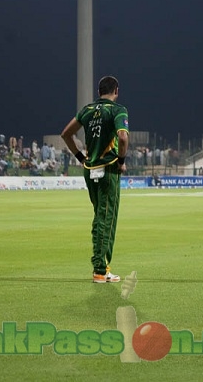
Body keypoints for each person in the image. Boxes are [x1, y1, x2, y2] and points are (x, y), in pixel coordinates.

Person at [61, 76, 129, 284]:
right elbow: (123, 137)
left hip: (90, 170)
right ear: (116, 90)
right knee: (107, 218)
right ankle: (100, 269)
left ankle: (102, 267)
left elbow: (65, 134)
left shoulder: (87, 110)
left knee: (99, 216)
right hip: (108, 169)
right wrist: (121, 160)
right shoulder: (118, 110)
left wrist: (81, 157)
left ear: (99, 91)